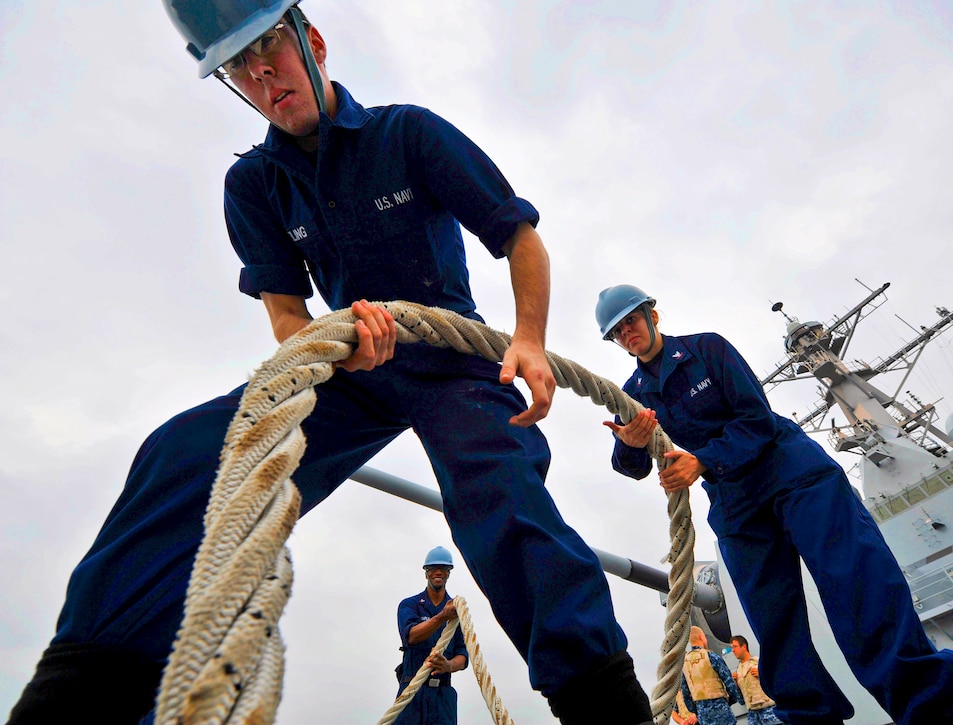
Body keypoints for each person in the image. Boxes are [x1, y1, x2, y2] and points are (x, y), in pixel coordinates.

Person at [5, 3, 657, 723]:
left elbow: (519, 236)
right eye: (237, 66)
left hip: (453, 363)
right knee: (187, 453)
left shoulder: (408, 133)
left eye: (270, 49)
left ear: (312, 42)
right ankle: (78, 695)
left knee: (499, 493)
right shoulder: (253, 185)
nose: (260, 74)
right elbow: (287, 318)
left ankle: (604, 705)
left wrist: (528, 338)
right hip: (350, 368)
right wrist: (335, 339)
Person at [594, 284, 953, 725]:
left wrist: (703, 460)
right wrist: (632, 444)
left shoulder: (707, 350)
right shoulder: (633, 392)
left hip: (793, 475)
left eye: (631, 322)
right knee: (772, 622)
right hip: (735, 502)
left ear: (652, 316)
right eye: (617, 332)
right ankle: (809, 716)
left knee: (859, 587)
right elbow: (631, 465)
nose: (627, 333)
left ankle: (929, 709)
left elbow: (755, 417)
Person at [393, 547, 470, 725]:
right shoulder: (410, 605)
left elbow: (463, 655)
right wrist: (442, 616)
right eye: (433, 568)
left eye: (443, 568)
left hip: (442, 696)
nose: (438, 572)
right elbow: (411, 636)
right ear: (426, 572)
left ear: (449, 572)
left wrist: (449, 665)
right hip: (412, 693)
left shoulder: (457, 613)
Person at [677, 626, 742, 725]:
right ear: (702, 637)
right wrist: (728, 702)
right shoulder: (712, 657)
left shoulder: (684, 665)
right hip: (722, 712)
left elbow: (685, 694)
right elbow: (730, 684)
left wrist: (697, 710)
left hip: (703, 717)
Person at [729, 636, 782, 725]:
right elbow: (741, 700)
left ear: (744, 646)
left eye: (735, 647)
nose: (733, 650)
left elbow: (777, 680)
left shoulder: (759, 662)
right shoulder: (738, 671)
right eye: (732, 648)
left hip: (769, 710)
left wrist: (763, 674)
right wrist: (735, 684)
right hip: (753, 714)